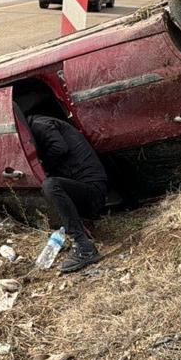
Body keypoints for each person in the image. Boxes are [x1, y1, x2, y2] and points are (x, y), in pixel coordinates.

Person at [27, 114, 108, 273]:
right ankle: (83, 228)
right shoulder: (43, 124)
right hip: (87, 192)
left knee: (51, 185)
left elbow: (60, 147)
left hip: (93, 192)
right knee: (52, 184)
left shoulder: (40, 124)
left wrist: (43, 164)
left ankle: (84, 247)